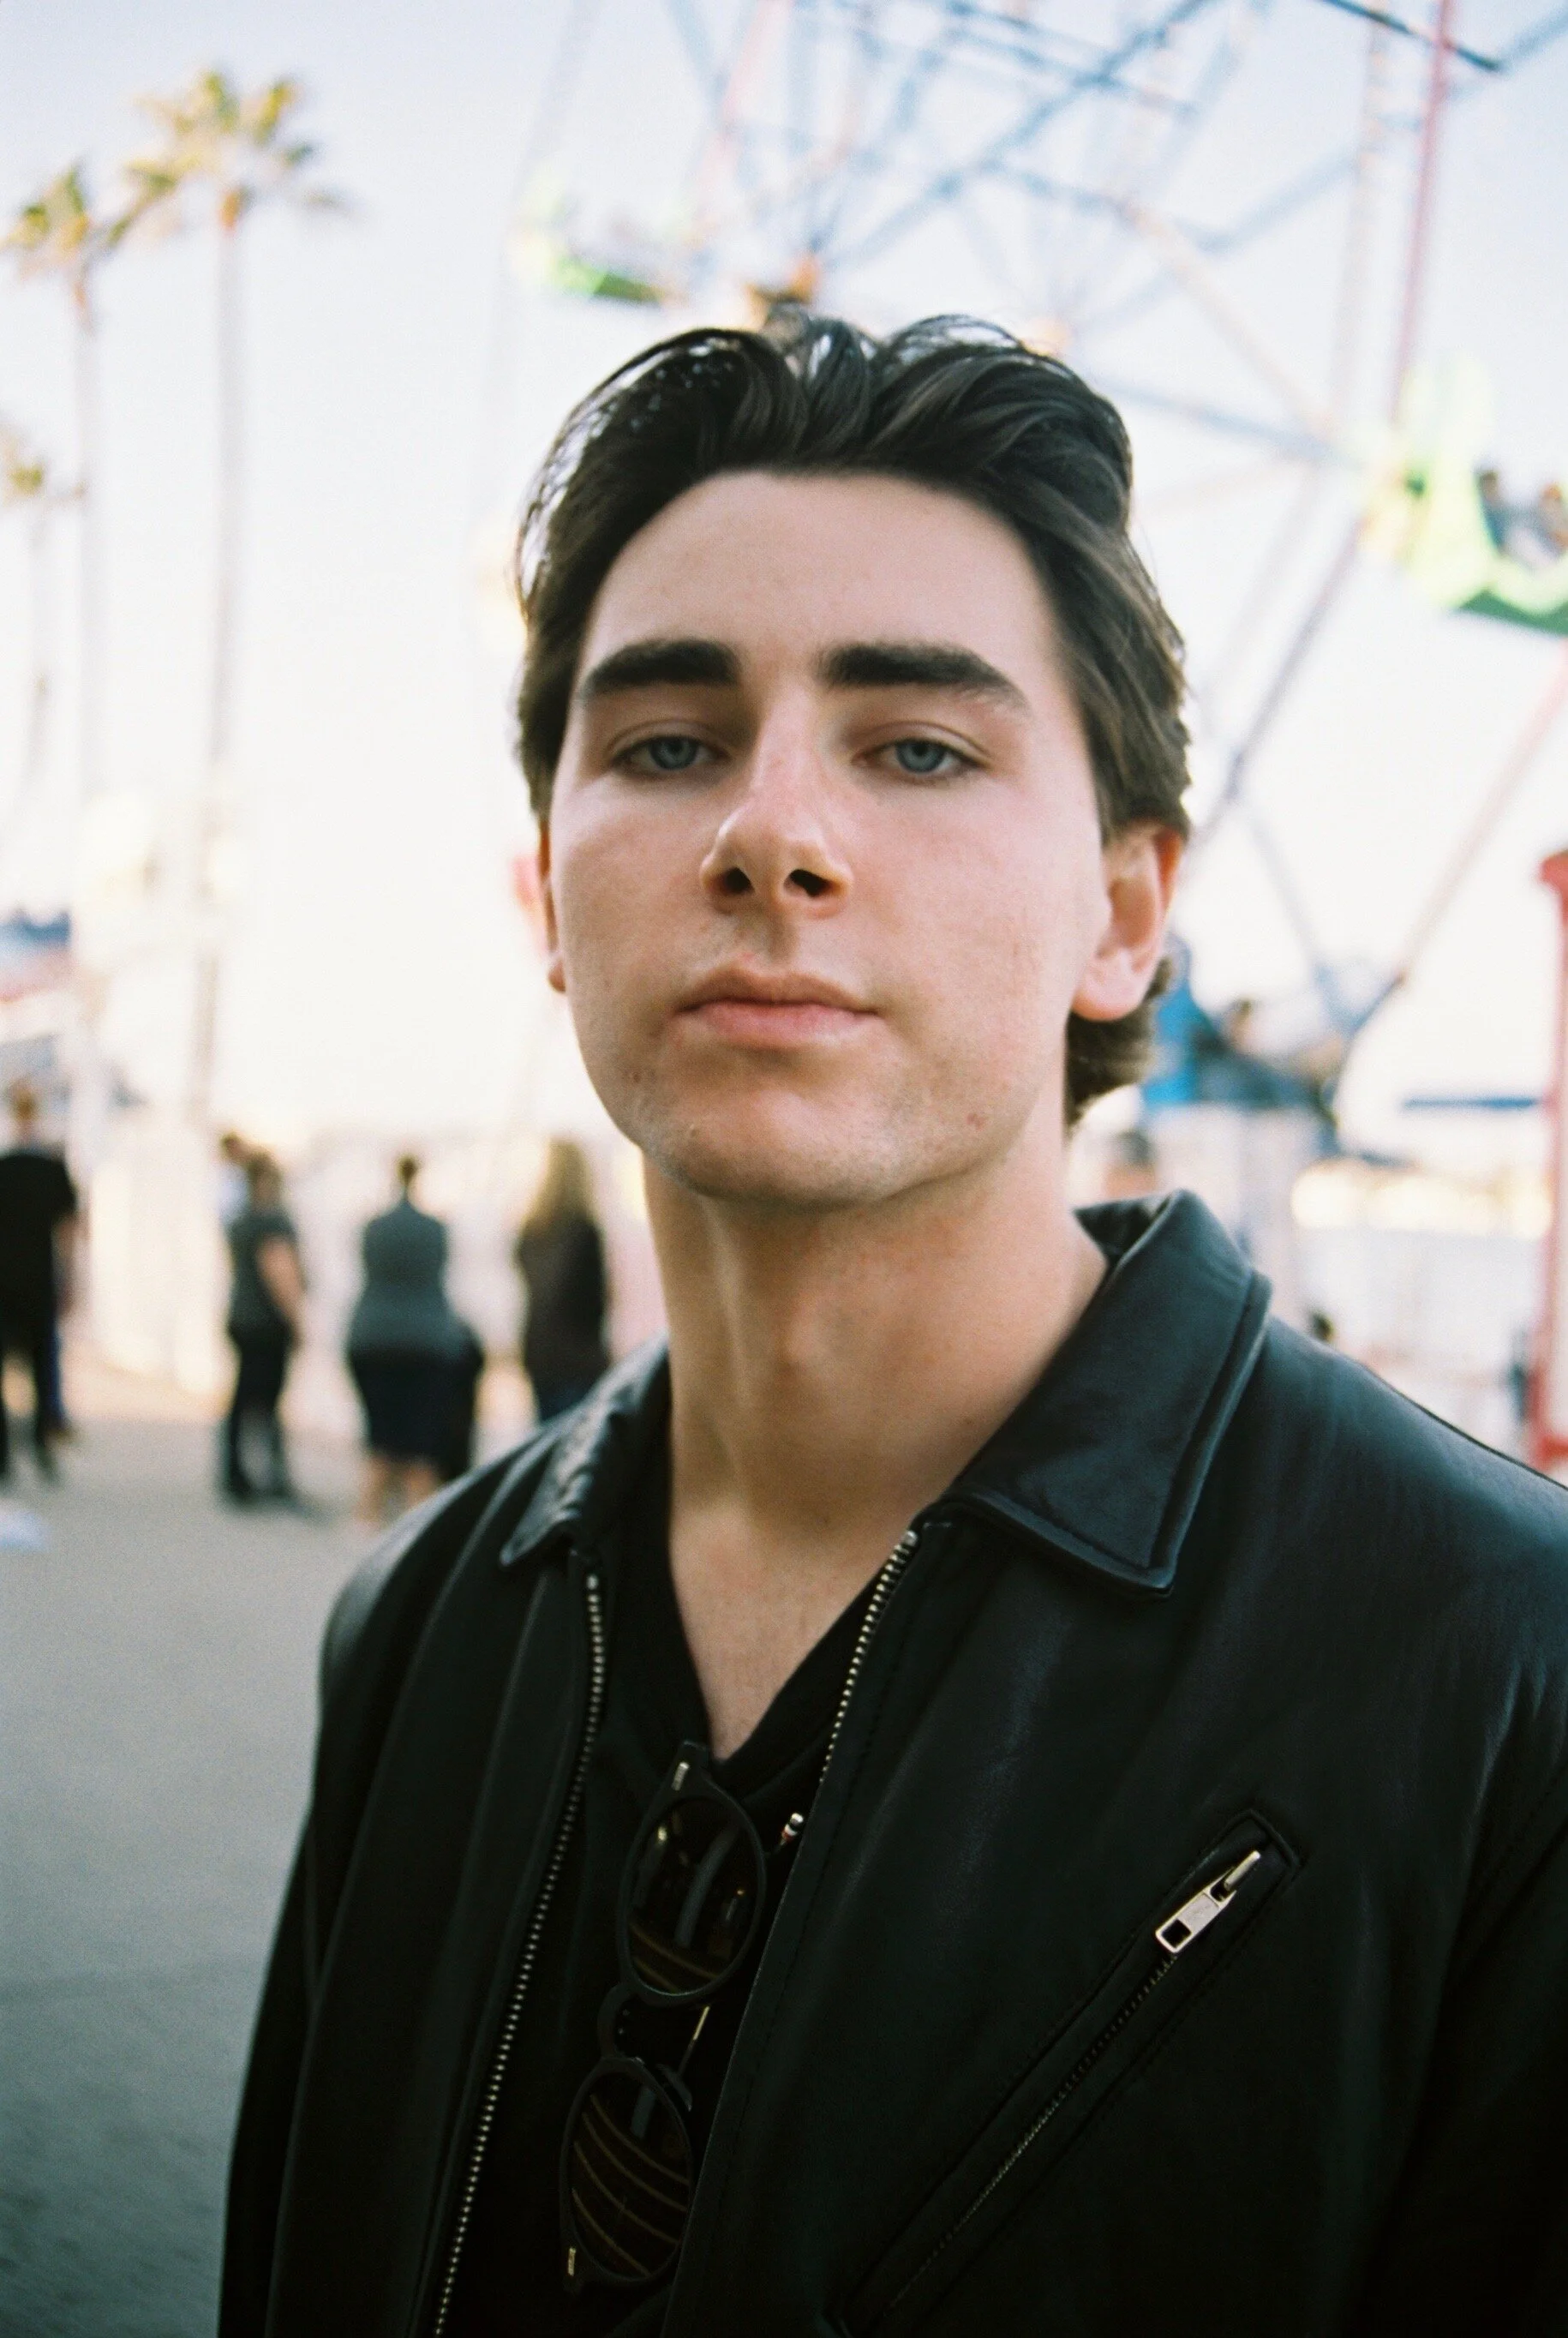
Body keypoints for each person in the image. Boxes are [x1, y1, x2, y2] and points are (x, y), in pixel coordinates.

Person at [222, 318, 1568, 2338]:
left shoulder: (1497, 1673)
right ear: (548, 895)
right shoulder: (425, 1621)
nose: (772, 833)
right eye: (666, 742)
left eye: (919, 746)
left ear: (1127, 911)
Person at [345, 1154, 466, 1525]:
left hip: (372, 1337)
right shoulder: (435, 1229)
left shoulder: (374, 1227)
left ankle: (368, 1520)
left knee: (381, 1442)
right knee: (420, 1448)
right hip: (426, 1341)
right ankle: (417, 1529)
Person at [0, 1081, 77, 1483]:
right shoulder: (51, 1168)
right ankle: (42, 1441)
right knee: (43, 1364)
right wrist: (69, 1277)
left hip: (6, 1281)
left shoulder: (6, 1166)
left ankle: (5, 1453)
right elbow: (67, 1230)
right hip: (38, 1278)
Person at [222, 1152, 302, 1505]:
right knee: (267, 1401)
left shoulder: (240, 1221)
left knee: (243, 1399)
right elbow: (279, 1271)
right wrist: (297, 1320)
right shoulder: (273, 1222)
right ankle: (270, 1474)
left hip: (242, 1317)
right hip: (266, 1323)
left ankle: (237, 1473)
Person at [514, 1136, 610, 1420]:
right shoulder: (585, 1232)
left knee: (547, 1430)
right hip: (578, 1354)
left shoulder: (532, 1230)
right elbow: (594, 1302)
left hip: (539, 1348)